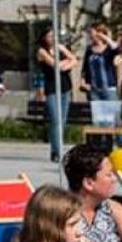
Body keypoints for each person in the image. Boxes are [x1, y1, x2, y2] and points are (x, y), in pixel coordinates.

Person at [37, 28, 77, 161]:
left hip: (65, 87)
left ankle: (57, 149)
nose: (52, 38)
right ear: (44, 38)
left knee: (62, 121)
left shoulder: (61, 49)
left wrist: (64, 52)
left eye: (53, 36)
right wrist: (66, 63)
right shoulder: (42, 51)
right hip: (52, 88)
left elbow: (74, 60)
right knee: (55, 120)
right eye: (49, 36)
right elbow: (55, 65)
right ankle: (57, 151)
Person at [82, 22, 119, 123]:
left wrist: (105, 38)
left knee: (113, 120)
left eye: (92, 33)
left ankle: (117, 135)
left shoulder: (109, 49)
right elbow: (85, 68)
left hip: (109, 88)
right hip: (94, 89)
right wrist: (83, 81)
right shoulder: (89, 50)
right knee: (100, 121)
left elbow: (117, 49)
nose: (90, 36)